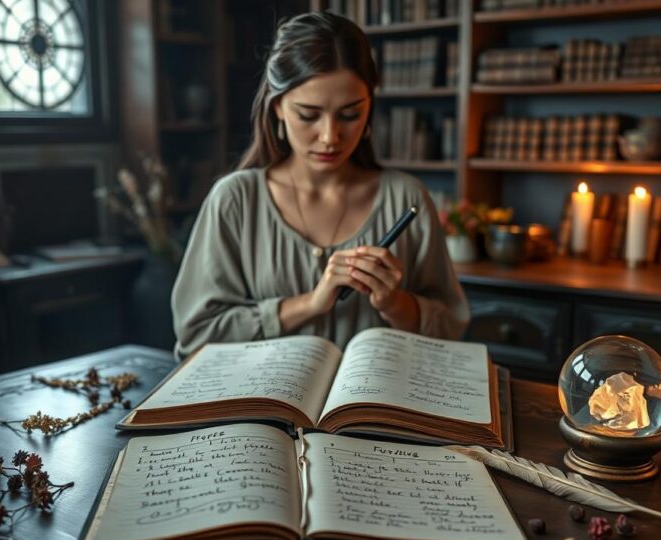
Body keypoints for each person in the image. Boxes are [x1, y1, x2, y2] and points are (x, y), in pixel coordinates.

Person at [171, 11, 468, 359]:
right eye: (308, 115)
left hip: (376, 410)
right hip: (263, 408)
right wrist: (310, 304)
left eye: (349, 114)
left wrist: (394, 303)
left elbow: (452, 328)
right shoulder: (235, 201)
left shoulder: (406, 198)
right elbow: (196, 335)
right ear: (278, 106)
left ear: (370, 108)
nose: (330, 137)